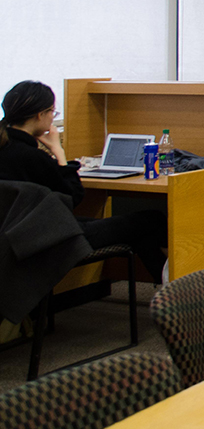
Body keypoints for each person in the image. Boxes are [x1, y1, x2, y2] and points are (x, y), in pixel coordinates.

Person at [0, 81, 168, 282]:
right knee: (152, 220)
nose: (53, 117)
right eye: (53, 112)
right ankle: (174, 293)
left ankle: (168, 290)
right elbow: (72, 198)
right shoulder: (32, 157)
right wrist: (58, 152)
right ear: (40, 115)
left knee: (136, 229)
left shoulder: (8, 148)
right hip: (51, 239)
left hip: (17, 237)